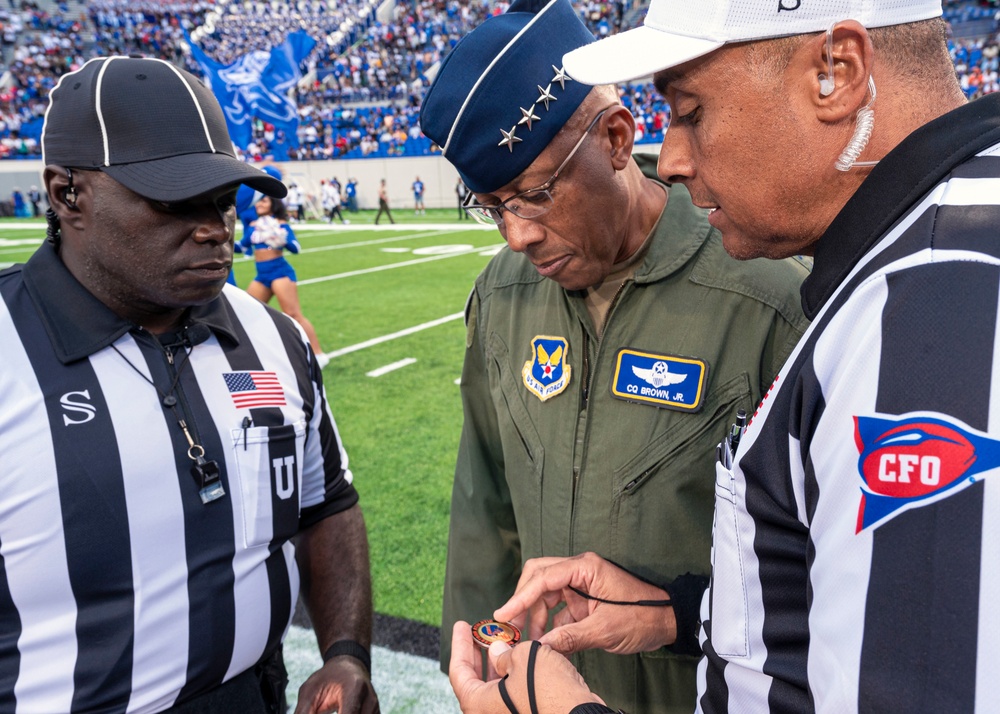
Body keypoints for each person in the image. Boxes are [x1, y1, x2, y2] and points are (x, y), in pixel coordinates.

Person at [449, 0, 1000, 712]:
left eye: (691, 110)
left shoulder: (931, 302)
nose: (671, 158)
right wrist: (674, 613)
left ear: (837, 72)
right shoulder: (910, 269)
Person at [419, 0, 810, 711]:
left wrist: (679, 617)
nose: (515, 235)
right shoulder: (501, 295)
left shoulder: (765, 301)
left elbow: (817, 570)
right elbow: (486, 503)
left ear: (618, 139)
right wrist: (481, 658)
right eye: (492, 205)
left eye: (533, 196)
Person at [0, 56, 378, 714]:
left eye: (220, 199)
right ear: (66, 195)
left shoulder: (270, 336)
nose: (214, 228)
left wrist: (345, 652)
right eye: (174, 201)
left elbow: (326, 506)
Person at [242, 195, 330, 368]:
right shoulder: (253, 226)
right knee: (245, 311)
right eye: (259, 201)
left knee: (293, 314)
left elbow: (296, 248)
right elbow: (241, 246)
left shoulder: (281, 224)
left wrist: (281, 238)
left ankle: (318, 354)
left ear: (273, 205)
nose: (259, 203)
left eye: (264, 201)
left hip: (280, 273)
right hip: (261, 275)